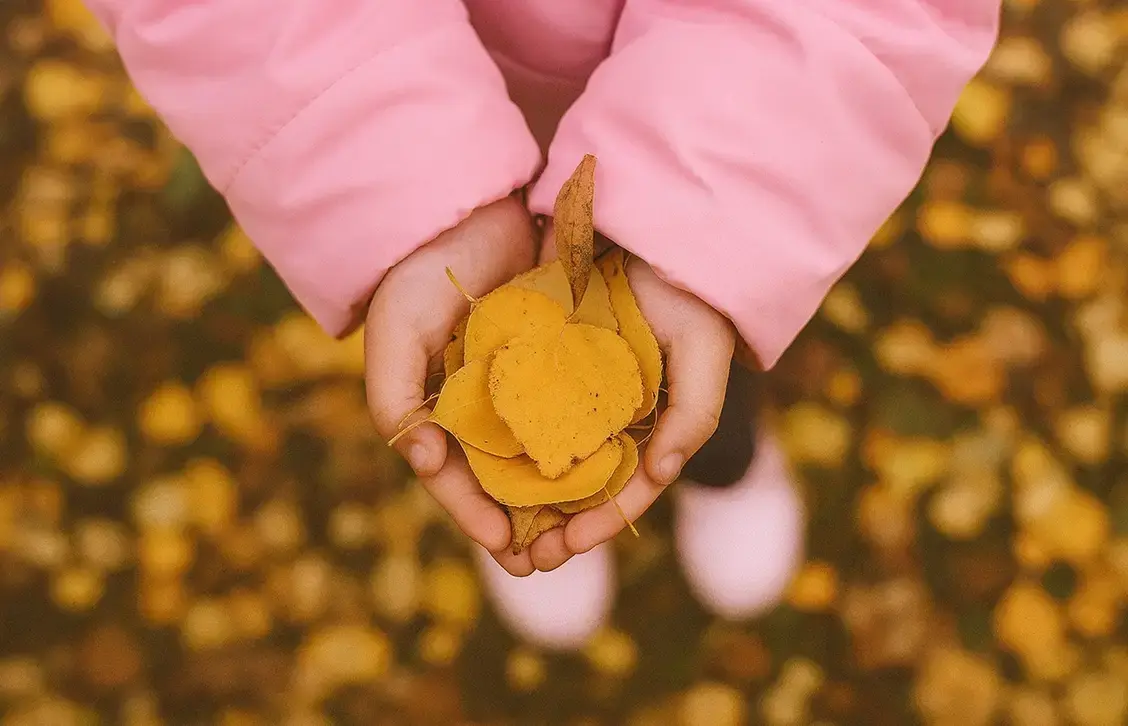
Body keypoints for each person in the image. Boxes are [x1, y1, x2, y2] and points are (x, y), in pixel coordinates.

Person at [86, 0, 1000, 648]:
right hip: (434, 95)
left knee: (704, 363)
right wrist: (400, 180)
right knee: (438, 364)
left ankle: (728, 466)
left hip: (740, 123)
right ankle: (525, 505)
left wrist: (716, 201)